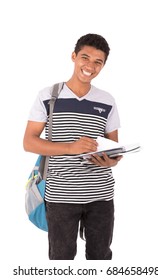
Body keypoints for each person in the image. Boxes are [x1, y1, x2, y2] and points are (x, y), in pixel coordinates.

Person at [23, 33, 122, 260]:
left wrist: (113, 160)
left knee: (101, 258)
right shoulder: (48, 96)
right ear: (74, 56)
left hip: (101, 195)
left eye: (98, 62)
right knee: (61, 261)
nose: (90, 66)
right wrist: (70, 147)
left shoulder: (107, 100)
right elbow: (29, 142)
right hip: (60, 196)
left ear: (103, 66)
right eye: (85, 58)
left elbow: (114, 146)